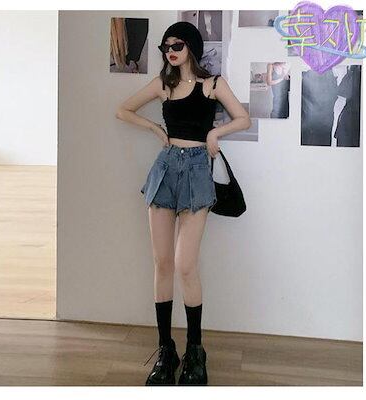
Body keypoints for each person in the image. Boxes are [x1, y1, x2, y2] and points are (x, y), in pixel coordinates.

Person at [115, 21, 250, 386]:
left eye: (177, 45)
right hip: (165, 169)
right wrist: (155, 129)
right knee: (162, 263)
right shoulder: (163, 84)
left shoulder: (213, 84)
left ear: (191, 46)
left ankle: (195, 350)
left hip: (197, 171)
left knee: (185, 265)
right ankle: (166, 350)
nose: (170, 51)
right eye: (165, 46)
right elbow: (123, 110)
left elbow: (243, 118)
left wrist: (215, 132)